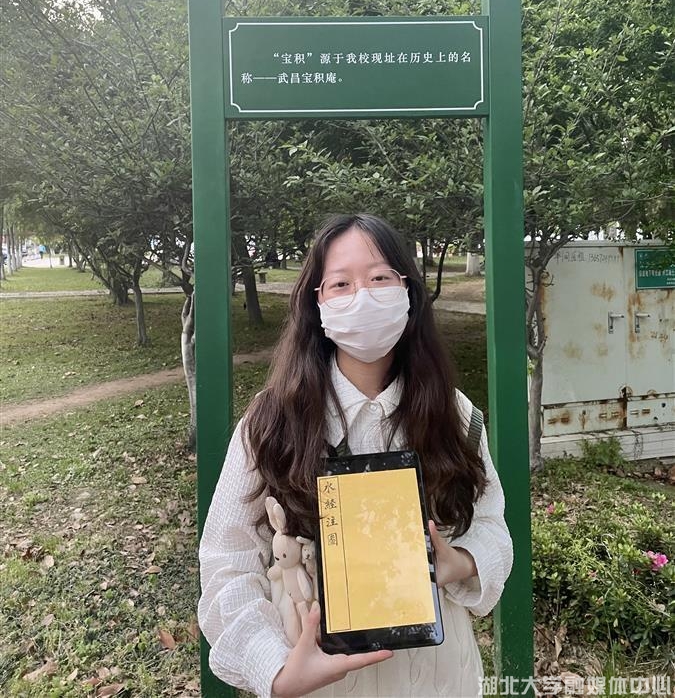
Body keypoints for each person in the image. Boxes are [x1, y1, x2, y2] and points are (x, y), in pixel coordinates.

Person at [198, 213, 513, 698]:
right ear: (317, 303)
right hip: (318, 681)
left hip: (439, 678)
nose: (362, 296)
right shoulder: (272, 422)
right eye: (341, 283)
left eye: (380, 278)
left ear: (408, 291)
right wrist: (274, 668)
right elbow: (228, 560)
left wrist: (462, 561)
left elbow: (492, 524)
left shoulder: (454, 414)